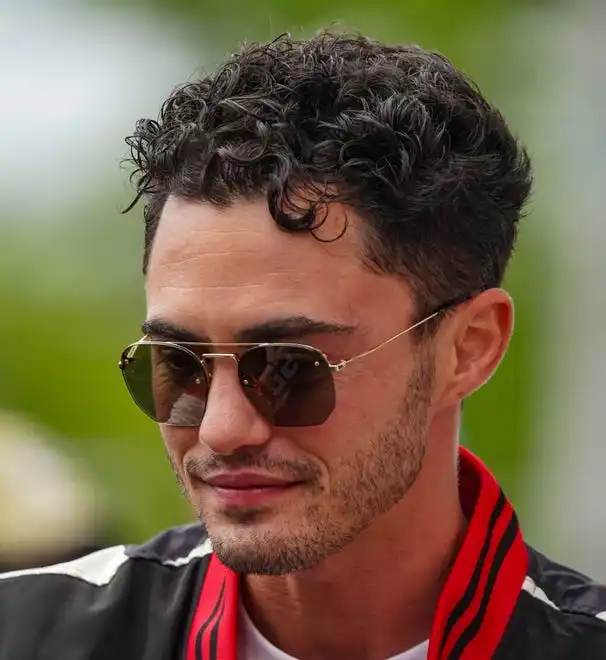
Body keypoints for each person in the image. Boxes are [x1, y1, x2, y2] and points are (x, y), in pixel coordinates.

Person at [1, 31, 604, 660]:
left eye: (290, 367)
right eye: (181, 365)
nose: (222, 429)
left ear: (469, 348)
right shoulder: (27, 635)